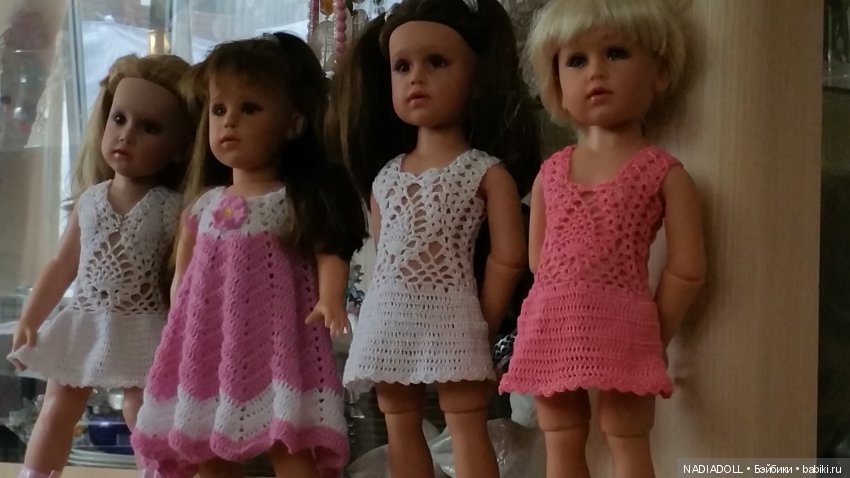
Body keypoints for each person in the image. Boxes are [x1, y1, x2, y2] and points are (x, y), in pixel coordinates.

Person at [131, 32, 368, 478]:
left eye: (250, 109)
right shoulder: (203, 207)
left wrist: (330, 299)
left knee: (288, 439)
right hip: (209, 345)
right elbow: (184, 277)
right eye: (219, 110)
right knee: (206, 445)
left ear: (294, 124)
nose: (229, 122)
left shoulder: (292, 202)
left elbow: (329, 249)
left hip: (277, 345)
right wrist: (179, 321)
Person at [327, 0, 541, 476]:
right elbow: (384, 254)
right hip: (388, 318)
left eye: (437, 62)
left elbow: (509, 256)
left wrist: (483, 318)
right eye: (402, 67)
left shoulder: (484, 172)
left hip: (456, 315)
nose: (416, 78)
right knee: (400, 424)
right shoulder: (386, 177)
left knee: (466, 421)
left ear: (477, 76)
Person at [498, 1, 707, 477]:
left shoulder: (662, 172)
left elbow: (688, 269)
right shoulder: (551, 172)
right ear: (556, 85)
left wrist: (656, 332)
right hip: (553, 324)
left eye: (615, 53)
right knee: (561, 436)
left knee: (626, 433)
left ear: (659, 72)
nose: (596, 71)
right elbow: (538, 261)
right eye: (576, 60)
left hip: (624, 322)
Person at [7, 53, 193, 478]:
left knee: (144, 409)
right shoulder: (91, 200)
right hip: (86, 318)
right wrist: (31, 317)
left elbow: (183, 274)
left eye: (149, 128)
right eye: (119, 119)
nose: (126, 135)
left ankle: (158, 472)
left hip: (145, 323)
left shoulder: (174, 208)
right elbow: (62, 264)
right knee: (59, 404)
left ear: (180, 147)